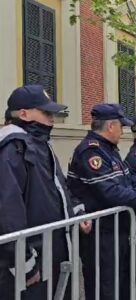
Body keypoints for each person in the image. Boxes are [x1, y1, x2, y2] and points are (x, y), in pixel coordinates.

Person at [67, 104, 136, 300]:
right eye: (121, 127)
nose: (123, 132)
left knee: (121, 284)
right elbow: (112, 193)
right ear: (111, 126)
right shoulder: (91, 152)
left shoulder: (109, 150)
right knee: (105, 287)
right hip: (100, 233)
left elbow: (131, 180)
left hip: (116, 230)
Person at [0, 85, 90, 299]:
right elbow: (7, 212)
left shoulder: (40, 145)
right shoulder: (12, 149)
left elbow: (58, 189)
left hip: (53, 255)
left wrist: (76, 214)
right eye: (46, 113)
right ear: (23, 113)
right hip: (31, 263)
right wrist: (25, 264)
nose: (52, 119)